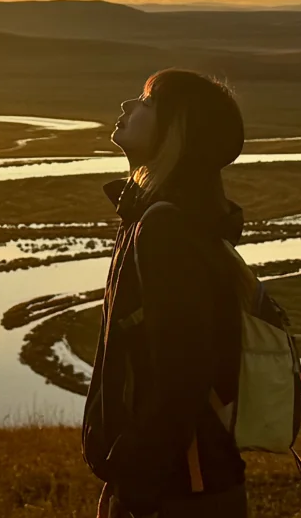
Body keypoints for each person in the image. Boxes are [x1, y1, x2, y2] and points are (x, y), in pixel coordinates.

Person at [82, 68, 250, 518]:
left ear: (177, 130)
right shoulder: (162, 218)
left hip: (178, 490)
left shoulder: (166, 229)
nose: (127, 106)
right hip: (181, 482)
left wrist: (135, 481)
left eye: (147, 102)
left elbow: (183, 374)